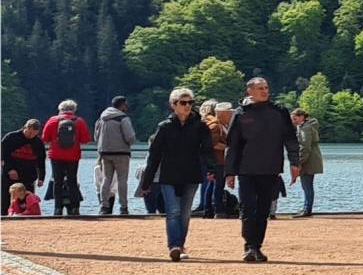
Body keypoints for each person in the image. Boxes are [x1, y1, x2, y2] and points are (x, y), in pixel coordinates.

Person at [223, 77, 300, 262]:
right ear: (249, 91)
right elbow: (232, 145)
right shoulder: (241, 113)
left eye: (266, 87)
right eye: (260, 88)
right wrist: (229, 172)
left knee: (263, 210)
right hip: (246, 169)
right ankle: (249, 246)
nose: (264, 91)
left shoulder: (279, 112)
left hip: (270, 168)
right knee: (247, 208)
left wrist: (295, 162)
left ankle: (257, 246)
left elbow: (290, 139)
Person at [137, 86, 215, 259]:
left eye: (190, 102)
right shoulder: (164, 127)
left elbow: (208, 150)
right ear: (173, 105)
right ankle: (174, 246)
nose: (187, 106)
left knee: (185, 212)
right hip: (169, 175)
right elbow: (154, 155)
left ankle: (180, 245)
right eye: (183, 102)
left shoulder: (200, 126)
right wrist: (146, 182)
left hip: (192, 173)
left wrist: (211, 169)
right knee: (173, 211)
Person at [41, 100, 90, 216]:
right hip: (73, 156)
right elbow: (86, 140)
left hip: (56, 156)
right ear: (74, 110)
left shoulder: (53, 120)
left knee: (57, 181)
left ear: (60, 109)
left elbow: (44, 138)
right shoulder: (79, 121)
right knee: (72, 181)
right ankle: (75, 208)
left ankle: (57, 208)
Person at [94, 96, 137, 215]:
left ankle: (104, 206)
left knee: (106, 179)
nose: (127, 106)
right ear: (122, 105)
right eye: (126, 104)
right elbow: (130, 137)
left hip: (105, 152)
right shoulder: (123, 118)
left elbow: (96, 137)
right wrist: (131, 142)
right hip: (121, 153)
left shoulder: (101, 118)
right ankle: (123, 207)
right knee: (122, 180)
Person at [3, 118, 46, 204]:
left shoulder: (38, 142)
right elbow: (3, 155)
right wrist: (9, 169)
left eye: (33, 134)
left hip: (28, 177)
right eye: (28, 132)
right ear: (24, 128)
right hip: (11, 175)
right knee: (6, 201)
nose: (30, 136)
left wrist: (41, 177)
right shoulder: (11, 137)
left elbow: (41, 161)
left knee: (27, 202)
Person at [292, 107, 323, 216]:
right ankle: (306, 207)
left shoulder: (305, 128)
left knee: (307, 185)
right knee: (307, 185)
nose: (293, 121)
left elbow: (305, 147)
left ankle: (307, 209)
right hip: (312, 158)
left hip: (309, 160)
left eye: (295, 119)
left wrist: (299, 162)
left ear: (301, 117)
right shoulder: (307, 126)